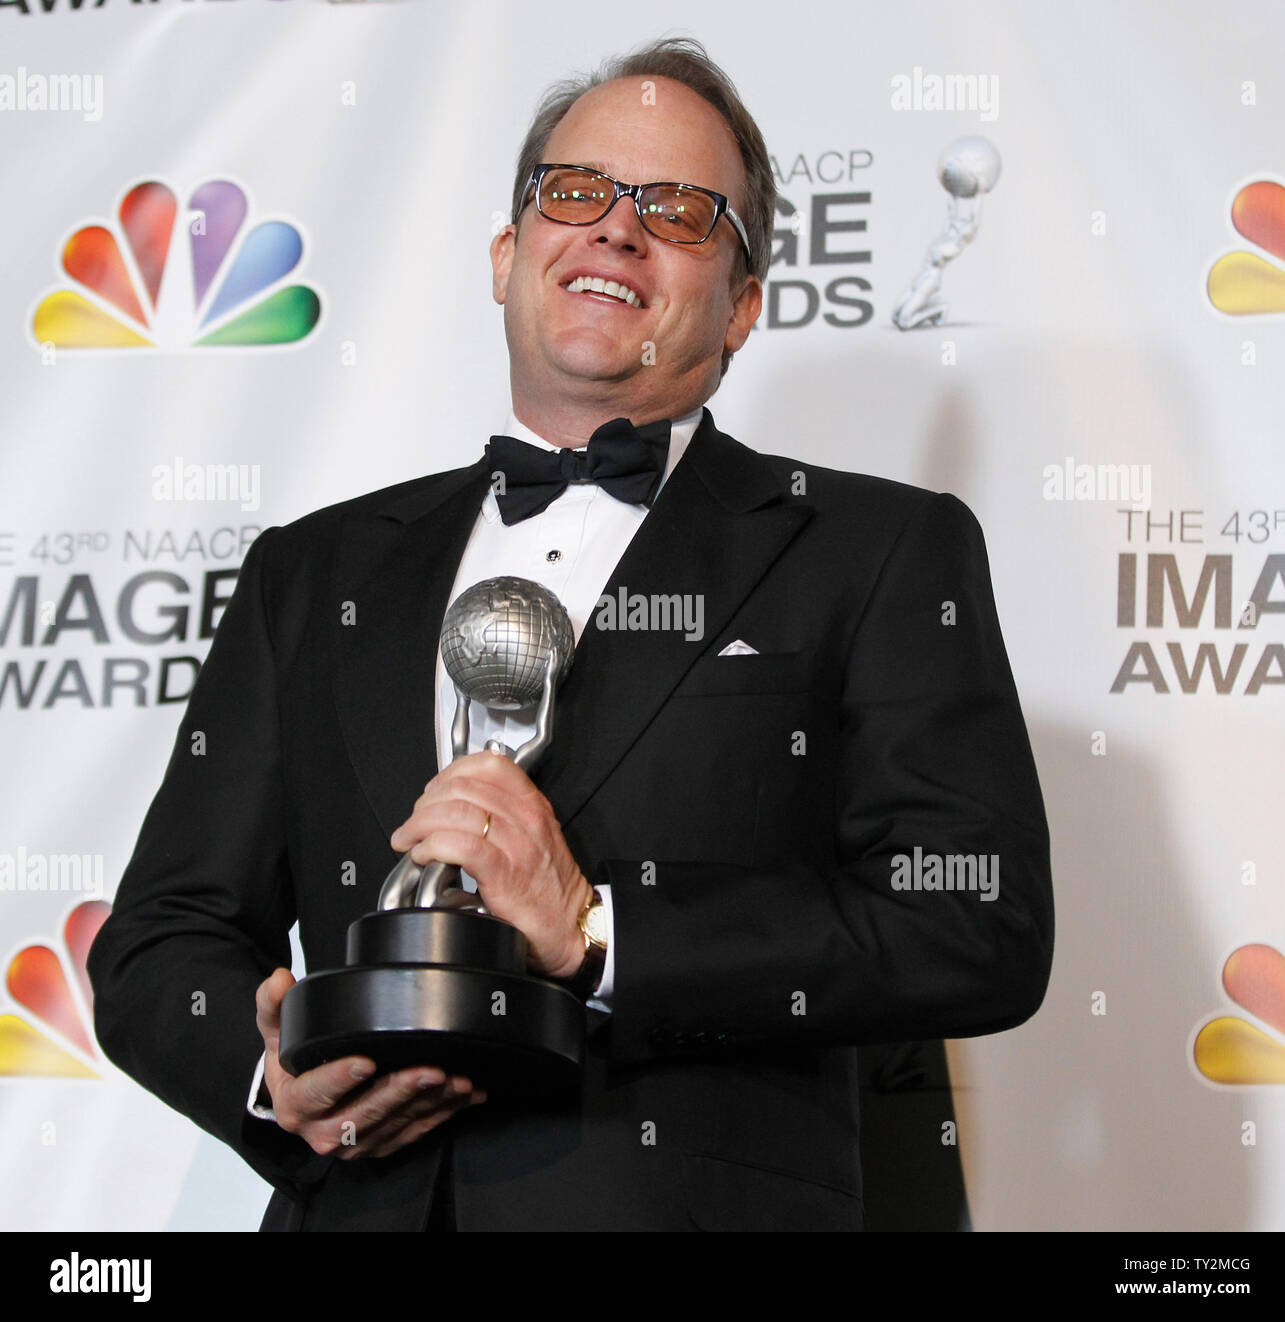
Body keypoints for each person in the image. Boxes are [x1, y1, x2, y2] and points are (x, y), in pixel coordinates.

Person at [87, 37, 1053, 1232]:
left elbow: (974, 919)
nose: (614, 229)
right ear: (508, 254)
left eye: (681, 211)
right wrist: (275, 1076)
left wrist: (598, 929)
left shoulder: (876, 549)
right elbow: (161, 939)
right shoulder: (314, 568)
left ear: (744, 304)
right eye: (576, 191)